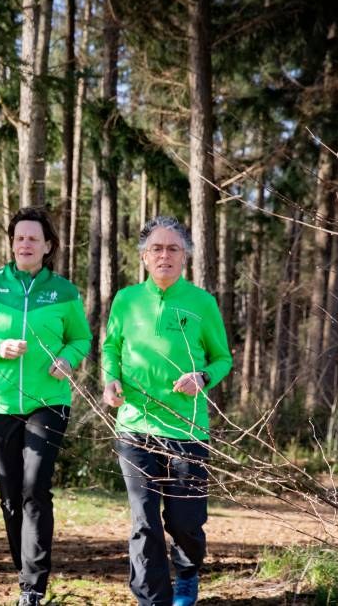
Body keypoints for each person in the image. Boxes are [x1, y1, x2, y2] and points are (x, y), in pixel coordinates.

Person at [0, 207, 92, 606]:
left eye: (34, 238)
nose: (25, 244)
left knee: (35, 487)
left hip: (48, 402)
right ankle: (24, 572)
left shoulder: (64, 291)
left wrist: (68, 360)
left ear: (48, 246)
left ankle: (32, 586)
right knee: (11, 494)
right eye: (19, 238)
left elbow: (80, 339)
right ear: (12, 243)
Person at [101, 216, 233, 606]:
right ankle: (151, 599)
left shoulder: (201, 303)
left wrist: (203, 376)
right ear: (144, 256)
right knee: (144, 521)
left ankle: (188, 573)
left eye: (173, 248)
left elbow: (222, 358)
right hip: (134, 427)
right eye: (156, 248)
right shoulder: (126, 300)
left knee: (185, 523)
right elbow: (110, 348)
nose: (165, 255)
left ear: (185, 257)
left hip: (186, 431)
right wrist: (111, 381)